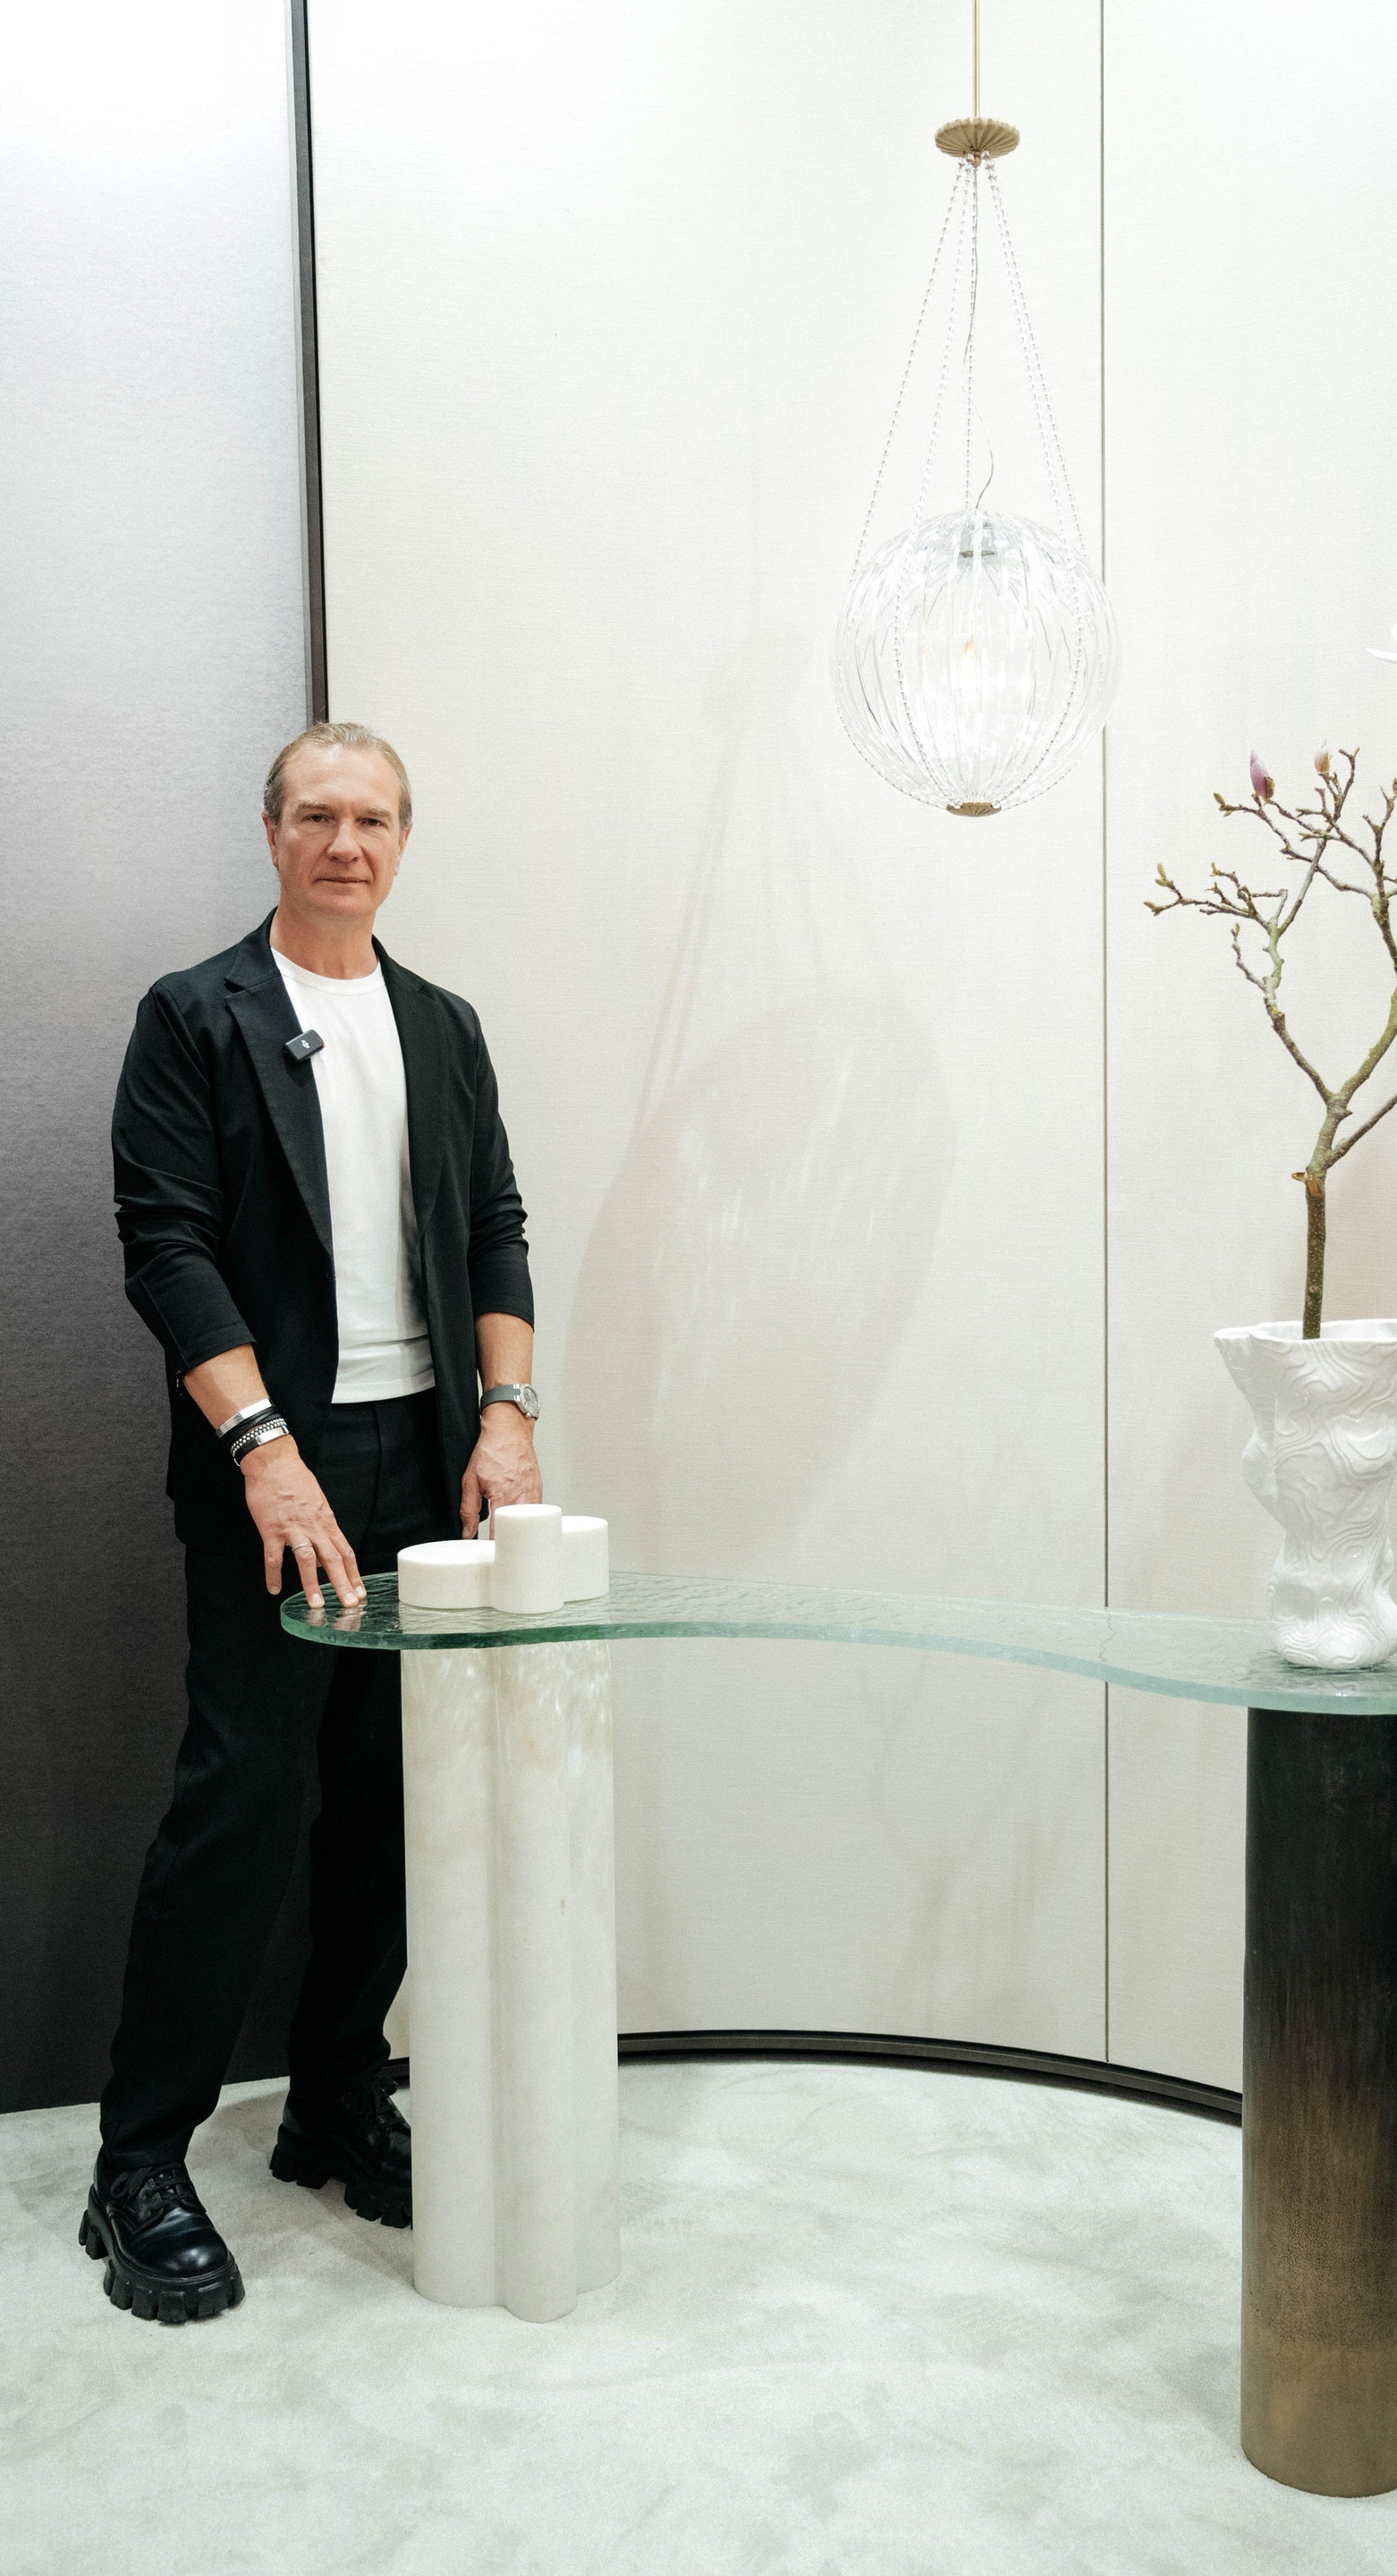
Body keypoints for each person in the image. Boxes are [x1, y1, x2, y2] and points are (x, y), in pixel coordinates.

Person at [83, 721, 544, 2323]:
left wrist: (507, 1414)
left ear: (404, 843)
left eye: (376, 820)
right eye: (320, 816)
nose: (348, 844)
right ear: (272, 832)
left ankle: (338, 2098)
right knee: (248, 1795)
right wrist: (264, 1450)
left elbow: (494, 1224)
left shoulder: (443, 1025)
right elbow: (165, 1244)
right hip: (276, 1462)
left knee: (397, 1802)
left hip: (431, 1460)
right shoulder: (195, 1015)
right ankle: (138, 2162)